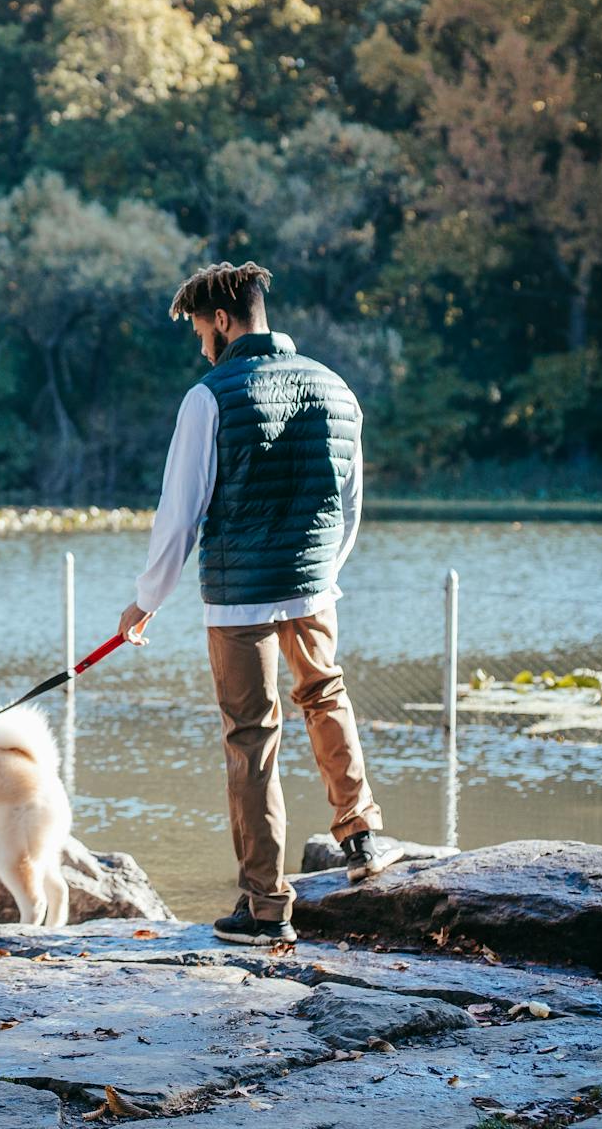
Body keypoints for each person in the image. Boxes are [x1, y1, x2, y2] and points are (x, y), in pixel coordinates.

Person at [117, 260, 397, 946]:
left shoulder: (208, 396)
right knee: (326, 695)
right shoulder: (336, 389)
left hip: (239, 597)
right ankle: (361, 840)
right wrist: (322, 572)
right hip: (311, 586)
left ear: (221, 320)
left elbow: (178, 515)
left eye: (197, 328)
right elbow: (350, 503)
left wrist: (145, 600)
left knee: (250, 739)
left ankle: (266, 905)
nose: (198, 344)